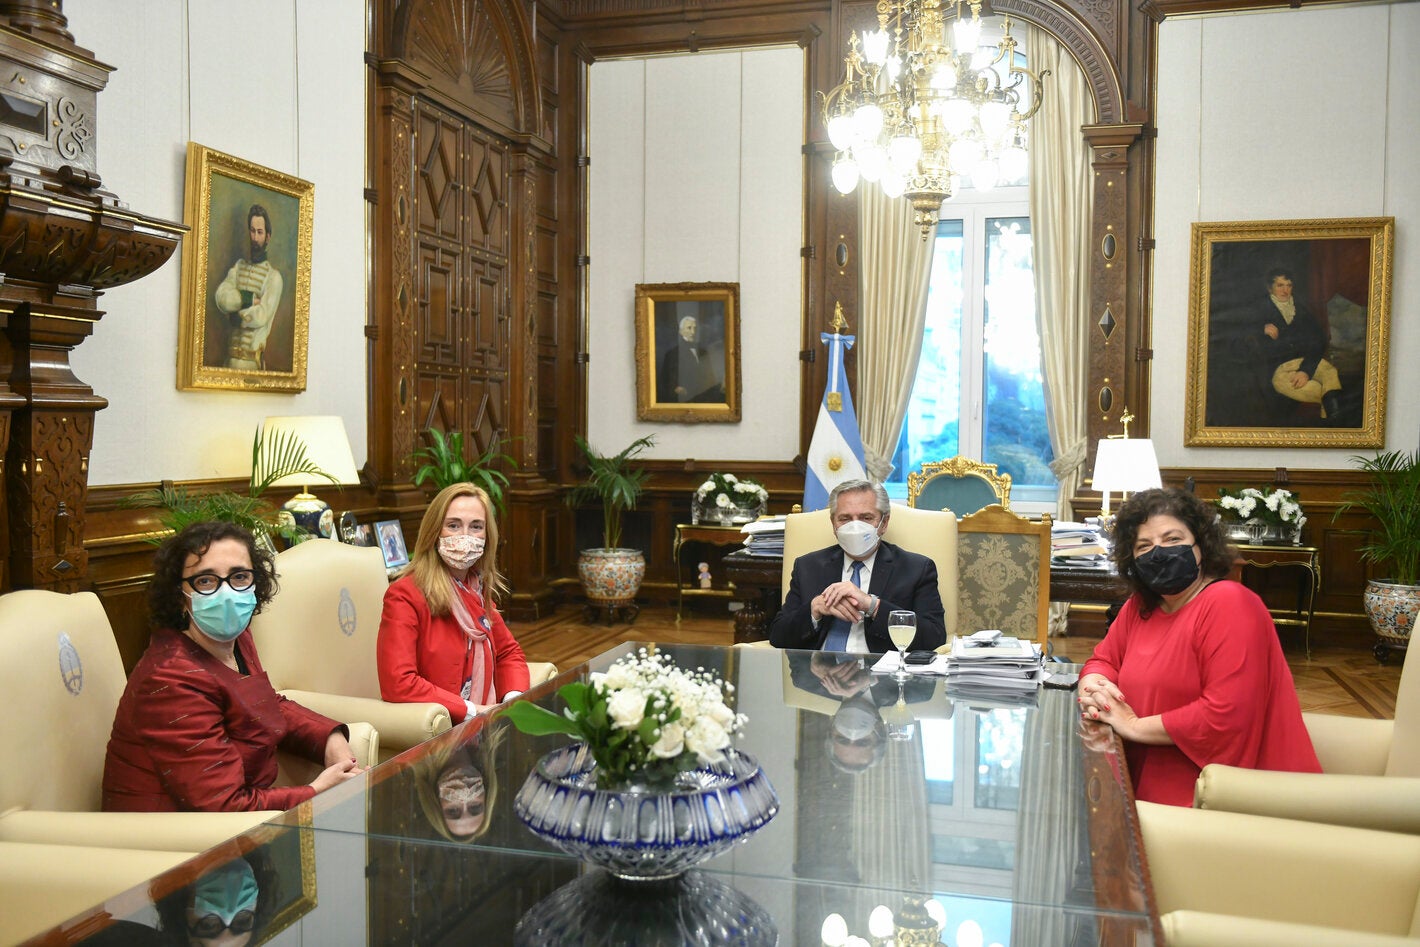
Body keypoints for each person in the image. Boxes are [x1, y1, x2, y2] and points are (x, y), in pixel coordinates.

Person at [1078, 487, 1321, 806]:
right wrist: (1093, 682)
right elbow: (1103, 660)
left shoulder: (1231, 604)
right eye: (1144, 546)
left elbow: (1226, 716)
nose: (1159, 552)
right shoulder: (1141, 607)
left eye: (1172, 539)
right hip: (1143, 784)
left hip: (1222, 798)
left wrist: (1133, 725)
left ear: (1201, 545)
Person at [102, 522, 362, 812]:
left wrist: (329, 737)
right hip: (175, 841)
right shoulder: (169, 677)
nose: (226, 593)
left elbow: (263, 703)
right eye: (206, 581)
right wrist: (317, 790)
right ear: (180, 596)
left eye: (239, 577)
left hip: (237, 820)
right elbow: (224, 806)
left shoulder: (237, 640)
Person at [377, 482, 530, 725]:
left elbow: (509, 652)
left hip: (484, 725)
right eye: (453, 525)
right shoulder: (405, 595)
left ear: (487, 537)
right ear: (434, 532)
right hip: (435, 732)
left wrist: (512, 698)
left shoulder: (475, 589)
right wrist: (472, 710)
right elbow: (399, 683)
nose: (465, 537)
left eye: (476, 527)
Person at [770, 479, 946, 653]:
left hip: (880, 676)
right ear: (833, 524)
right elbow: (778, 635)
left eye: (866, 518)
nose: (855, 527)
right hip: (818, 674)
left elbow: (934, 637)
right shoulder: (808, 566)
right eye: (845, 518)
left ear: (884, 523)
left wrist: (872, 605)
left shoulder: (916, 569)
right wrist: (814, 609)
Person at [1255, 267, 1344, 422]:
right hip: (1279, 368)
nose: (1285, 290)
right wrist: (1259, 329)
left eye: (1289, 285)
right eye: (1280, 285)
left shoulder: (1300, 308)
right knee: (1300, 386)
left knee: (1330, 372)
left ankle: (1333, 412)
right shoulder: (1260, 309)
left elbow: (1319, 339)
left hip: (1303, 361)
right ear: (1270, 288)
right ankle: (1333, 410)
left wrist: (1305, 371)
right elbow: (1234, 331)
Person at [214, 204, 283, 370]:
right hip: (228, 362)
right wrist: (249, 299)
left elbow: (261, 315)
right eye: (252, 231)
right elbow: (221, 298)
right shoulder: (238, 267)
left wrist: (237, 318)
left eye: (259, 232)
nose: (254, 237)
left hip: (252, 365)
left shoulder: (274, 277)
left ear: (267, 237)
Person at [657, 314, 724, 403]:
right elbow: (665, 380)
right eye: (689, 328)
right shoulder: (672, 354)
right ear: (681, 332)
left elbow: (710, 377)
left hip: (704, 399)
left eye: (695, 328)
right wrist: (675, 388)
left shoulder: (704, 352)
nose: (693, 332)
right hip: (684, 400)